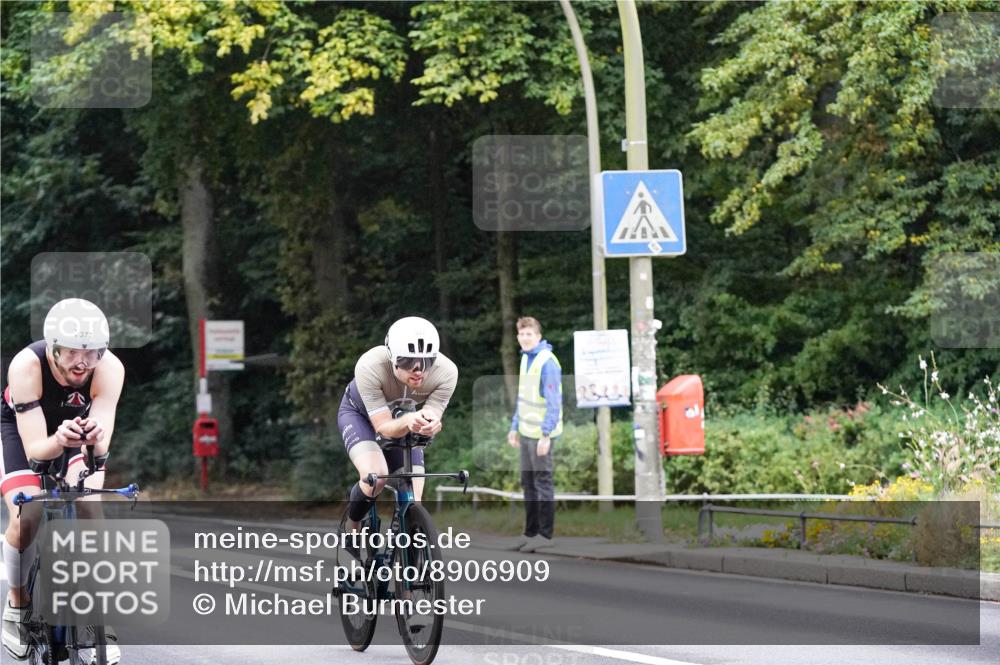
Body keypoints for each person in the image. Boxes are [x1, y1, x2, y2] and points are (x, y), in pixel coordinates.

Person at [1, 298, 124, 664]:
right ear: (52, 347)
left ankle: (95, 615)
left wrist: (93, 454)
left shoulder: (110, 368)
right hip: (23, 434)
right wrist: (58, 441)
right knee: (29, 516)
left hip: (76, 434)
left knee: (89, 505)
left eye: (91, 352)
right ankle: (17, 604)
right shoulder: (27, 365)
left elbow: (100, 445)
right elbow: (38, 451)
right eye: (71, 352)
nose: (82, 362)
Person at [337, 317, 457, 538]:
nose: (418, 370)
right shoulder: (370, 366)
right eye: (408, 361)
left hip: (404, 418)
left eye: (427, 361)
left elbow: (430, 415)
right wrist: (410, 420)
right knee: (376, 477)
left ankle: (407, 543)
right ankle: (350, 528)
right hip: (361, 415)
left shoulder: (447, 372)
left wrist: (430, 424)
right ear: (392, 359)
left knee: (413, 498)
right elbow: (383, 427)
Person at [507, 316, 562, 552]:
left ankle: (545, 535)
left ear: (538, 337)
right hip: (527, 432)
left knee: (542, 483)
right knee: (528, 483)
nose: (525, 338)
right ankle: (530, 533)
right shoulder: (525, 359)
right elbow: (524, 398)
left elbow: (553, 402)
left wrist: (546, 435)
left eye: (529, 334)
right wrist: (514, 426)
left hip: (542, 435)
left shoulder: (546, 362)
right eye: (521, 334)